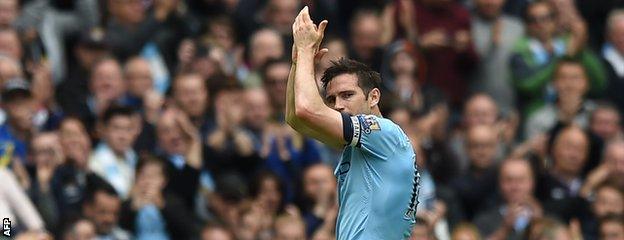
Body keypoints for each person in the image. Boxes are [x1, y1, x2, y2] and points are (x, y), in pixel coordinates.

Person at [286, 7, 418, 239]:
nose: (337, 105)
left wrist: (307, 50)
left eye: (347, 95)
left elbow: (306, 110)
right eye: (332, 99)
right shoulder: (362, 146)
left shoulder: (384, 132)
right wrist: (298, 63)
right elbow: (296, 119)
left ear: (374, 97)